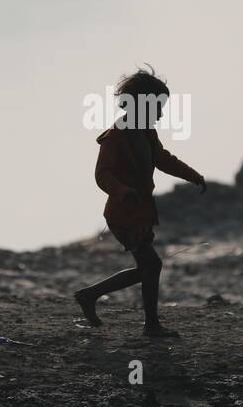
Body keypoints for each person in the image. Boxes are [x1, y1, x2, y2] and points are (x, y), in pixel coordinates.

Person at [74, 67, 206, 337]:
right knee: (151, 265)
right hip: (122, 213)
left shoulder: (146, 132)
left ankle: (91, 295)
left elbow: (164, 159)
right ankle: (150, 325)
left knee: (149, 266)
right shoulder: (116, 136)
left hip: (140, 213)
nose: (160, 114)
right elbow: (102, 174)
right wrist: (121, 191)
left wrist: (193, 175)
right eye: (157, 107)